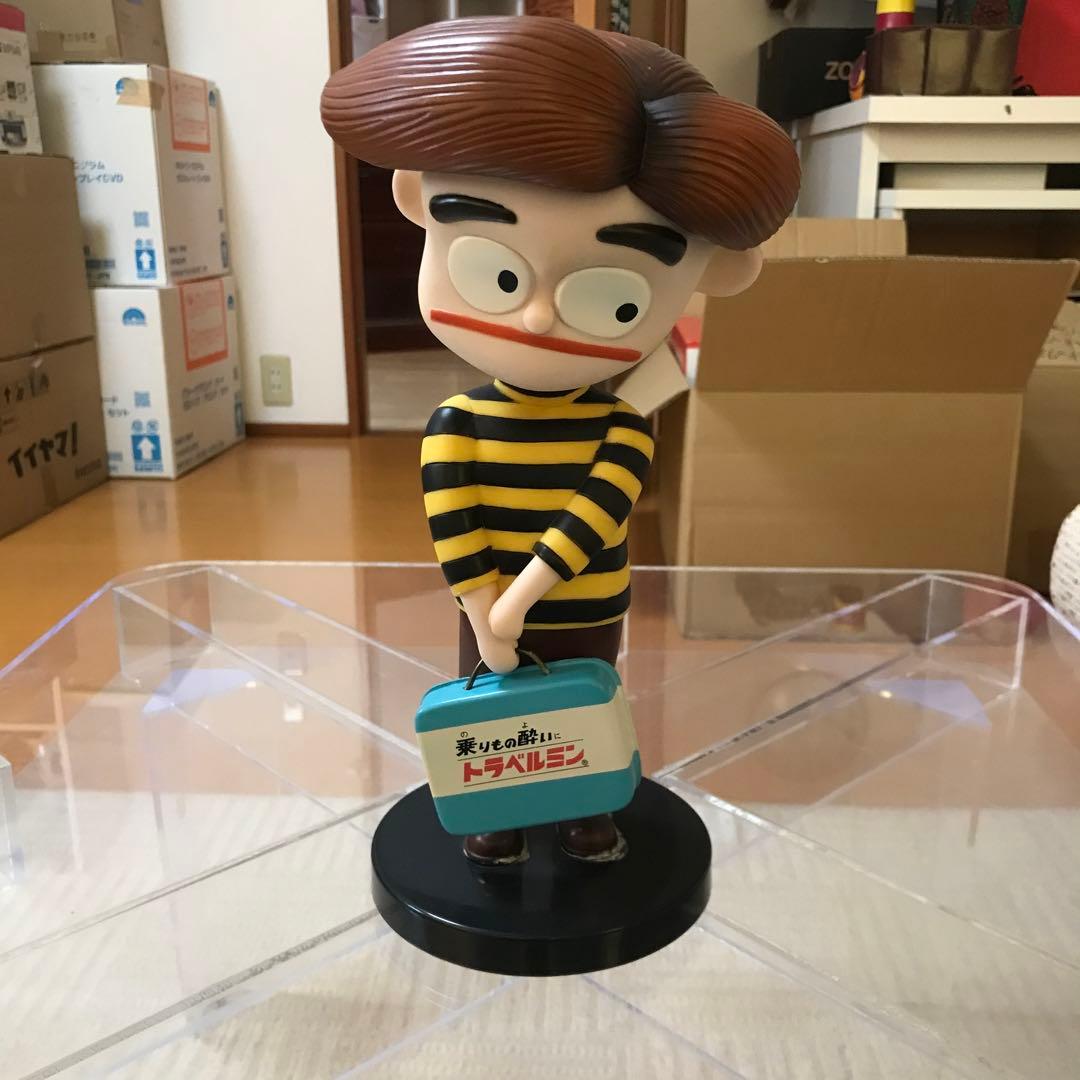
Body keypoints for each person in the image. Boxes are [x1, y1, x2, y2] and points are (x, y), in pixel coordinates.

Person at [323, 16, 800, 865]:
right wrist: (485, 611)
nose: (539, 317)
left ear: (713, 276)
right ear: (418, 203)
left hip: (582, 602)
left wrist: (513, 607)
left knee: (589, 703)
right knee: (492, 714)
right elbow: (456, 530)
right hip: (486, 606)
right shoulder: (456, 426)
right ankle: (499, 817)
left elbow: (594, 518)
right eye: (496, 274)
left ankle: (587, 812)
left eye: (612, 298)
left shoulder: (622, 430)